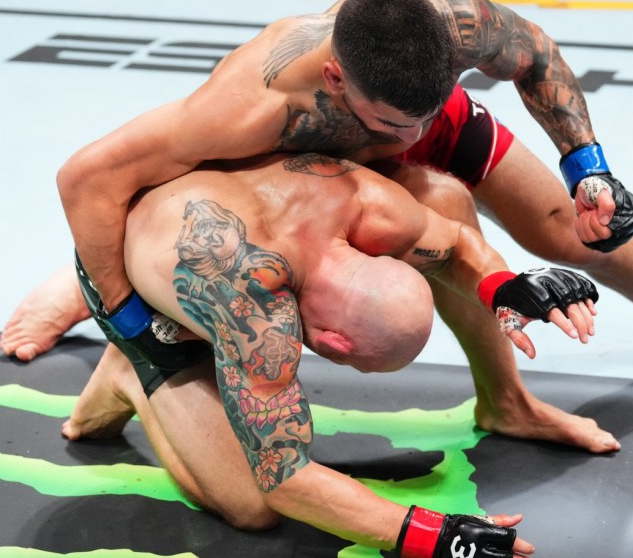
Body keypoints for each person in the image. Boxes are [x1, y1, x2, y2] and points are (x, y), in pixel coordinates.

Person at [1, 0, 633, 454]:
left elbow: (536, 55)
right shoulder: (246, 109)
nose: (410, 141)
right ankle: (82, 287)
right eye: (394, 123)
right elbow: (90, 178)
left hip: (397, 114)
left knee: (570, 227)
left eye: (420, 118)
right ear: (336, 75)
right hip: (283, 166)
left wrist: (588, 165)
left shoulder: (447, 26)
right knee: (413, 212)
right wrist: (126, 316)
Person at [60, 152, 600, 557]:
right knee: (251, 506)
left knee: (442, 193)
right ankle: (135, 368)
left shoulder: (370, 207)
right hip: (127, 289)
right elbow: (286, 478)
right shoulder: (257, 314)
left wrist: (503, 287)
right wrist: (434, 537)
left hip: (193, 213)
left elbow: (455, 241)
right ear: (338, 346)